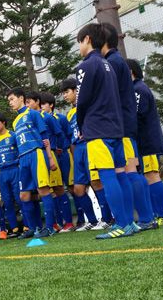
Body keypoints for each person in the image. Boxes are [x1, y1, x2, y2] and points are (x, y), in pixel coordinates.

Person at [75, 23, 134, 239]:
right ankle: (129, 223)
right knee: (121, 175)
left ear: (87, 39)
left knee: (107, 176)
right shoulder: (107, 64)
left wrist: (81, 125)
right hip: (115, 128)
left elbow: (81, 101)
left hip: (97, 129)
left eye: (79, 42)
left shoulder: (86, 66)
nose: (79, 47)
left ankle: (120, 224)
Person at [102, 22, 156, 230]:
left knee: (129, 170)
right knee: (130, 170)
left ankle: (144, 219)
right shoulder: (116, 61)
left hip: (121, 127)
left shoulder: (113, 63)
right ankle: (144, 218)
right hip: (124, 125)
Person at [127, 58, 163, 227]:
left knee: (152, 175)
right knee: (147, 176)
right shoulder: (134, 89)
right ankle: (155, 214)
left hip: (147, 141)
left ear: (130, 72)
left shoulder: (138, 89)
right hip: (142, 141)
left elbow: (137, 116)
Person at [7, 88, 58, 239]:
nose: (10, 103)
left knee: (43, 190)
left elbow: (45, 138)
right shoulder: (15, 121)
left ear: (21, 98)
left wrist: (49, 157)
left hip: (36, 154)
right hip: (23, 159)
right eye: (9, 101)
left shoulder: (33, 113)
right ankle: (34, 228)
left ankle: (49, 227)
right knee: (24, 195)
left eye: (12, 99)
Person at [60, 78, 107, 231]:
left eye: (67, 92)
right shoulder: (69, 114)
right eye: (63, 93)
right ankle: (92, 221)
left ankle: (107, 219)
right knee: (78, 189)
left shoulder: (86, 105)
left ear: (76, 90)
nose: (65, 96)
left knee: (96, 183)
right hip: (78, 152)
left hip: (89, 146)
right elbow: (71, 139)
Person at [27, 91, 74, 233]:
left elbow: (60, 134)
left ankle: (69, 223)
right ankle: (55, 223)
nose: (27, 105)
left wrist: (58, 148)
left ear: (37, 102)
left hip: (51, 154)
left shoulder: (47, 117)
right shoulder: (27, 119)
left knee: (59, 188)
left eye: (29, 102)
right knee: (47, 190)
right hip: (37, 157)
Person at [0, 113, 22, 238]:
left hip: (15, 170)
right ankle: (13, 228)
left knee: (19, 199)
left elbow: (20, 151)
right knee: (7, 201)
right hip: (2, 173)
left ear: (3, 122)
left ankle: (26, 226)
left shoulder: (13, 135)